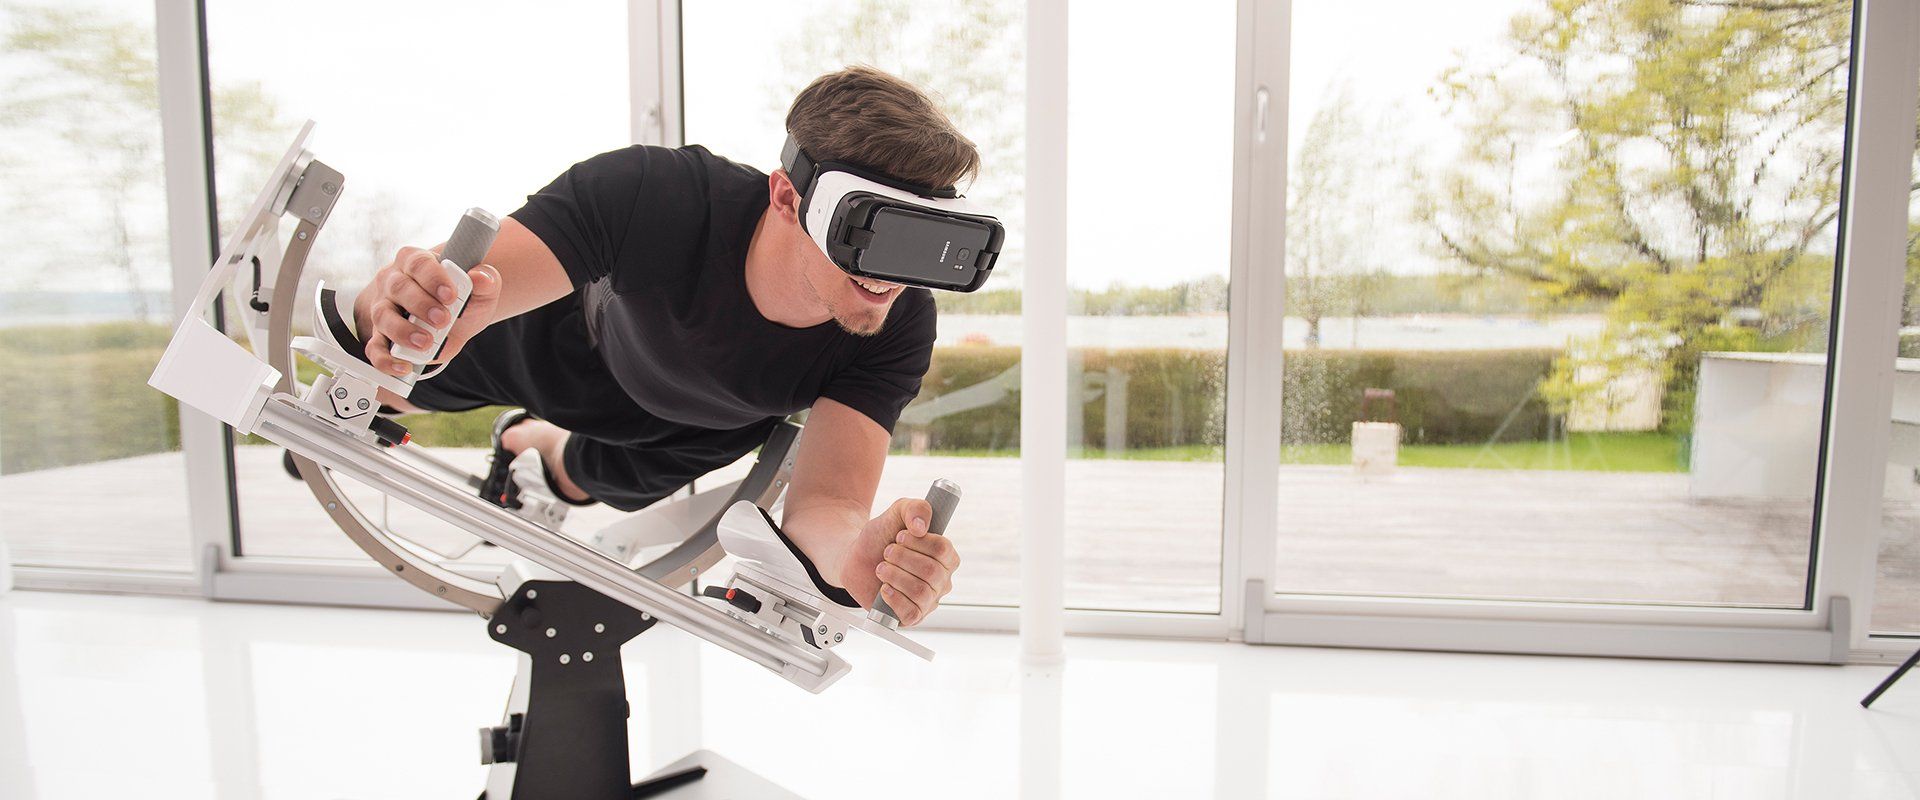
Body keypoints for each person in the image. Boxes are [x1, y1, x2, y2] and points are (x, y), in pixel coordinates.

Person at [354, 66, 971, 626]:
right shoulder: (655, 191)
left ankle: (527, 441)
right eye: (872, 232)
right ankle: (488, 413)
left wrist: (856, 559)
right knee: (387, 374)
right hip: (568, 350)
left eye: (919, 242)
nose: (892, 276)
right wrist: (407, 304)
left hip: (699, 429)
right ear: (787, 197)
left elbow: (828, 503)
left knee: (587, 481)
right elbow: (454, 287)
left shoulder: (902, 323)